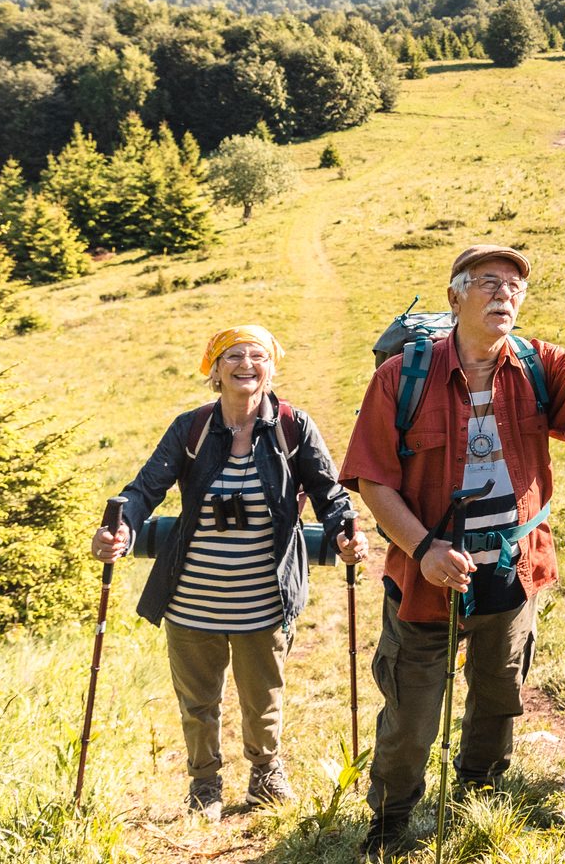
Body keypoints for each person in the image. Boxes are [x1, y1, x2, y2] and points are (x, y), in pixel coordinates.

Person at [339, 244, 565, 859]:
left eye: (515, 286)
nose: (505, 294)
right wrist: (422, 549)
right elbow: (373, 479)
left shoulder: (536, 363)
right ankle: (390, 822)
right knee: (414, 713)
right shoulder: (401, 376)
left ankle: (478, 792)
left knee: (499, 689)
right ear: (454, 298)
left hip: (512, 563)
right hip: (425, 573)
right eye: (489, 283)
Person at [91, 324, 370, 820]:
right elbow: (142, 490)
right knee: (199, 702)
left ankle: (265, 774)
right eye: (233, 356)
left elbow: (330, 494)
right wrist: (121, 530)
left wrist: (347, 533)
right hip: (190, 595)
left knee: (262, 697)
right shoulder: (191, 429)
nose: (246, 364)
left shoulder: (293, 427)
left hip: (264, 596)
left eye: (257, 355)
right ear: (214, 370)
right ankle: (204, 786)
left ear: (271, 366)